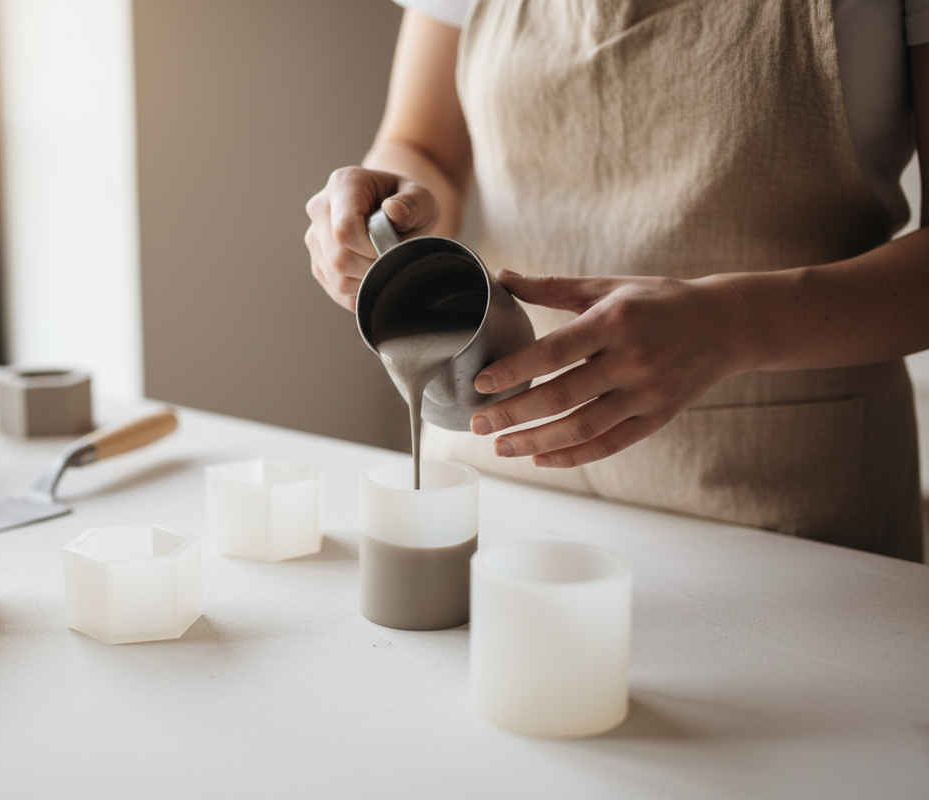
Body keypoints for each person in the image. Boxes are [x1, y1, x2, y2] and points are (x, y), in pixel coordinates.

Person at [304, 0, 929, 562]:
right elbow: (425, 145)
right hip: (499, 483)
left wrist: (733, 323)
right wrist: (384, 215)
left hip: (788, 520)